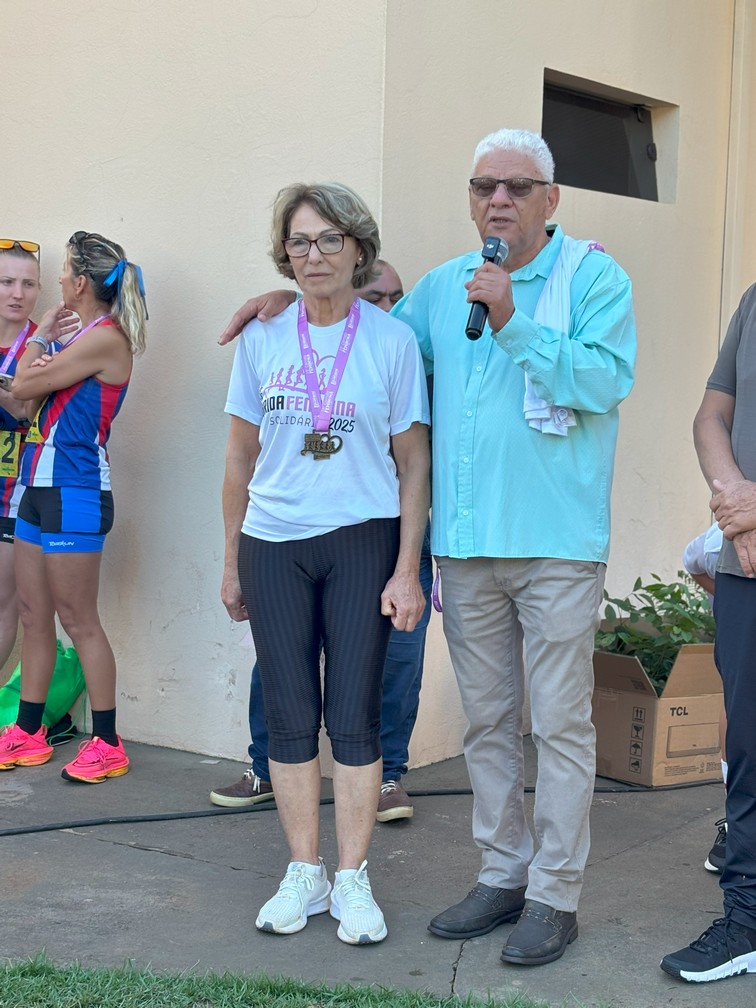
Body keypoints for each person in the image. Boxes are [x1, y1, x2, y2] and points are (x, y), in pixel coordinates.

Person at [218, 127, 636, 966]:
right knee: (487, 722)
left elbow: (602, 380)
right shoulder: (446, 288)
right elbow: (356, 329)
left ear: (551, 200)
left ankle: (554, 894)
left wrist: (514, 319)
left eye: (518, 187)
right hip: (469, 544)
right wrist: (281, 301)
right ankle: (501, 874)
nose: (499, 202)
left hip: (555, 541)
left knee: (557, 725)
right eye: (485, 187)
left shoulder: (595, 278)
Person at [221, 183, 430, 944]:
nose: (314, 255)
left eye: (329, 240)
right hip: (272, 543)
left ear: (358, 249)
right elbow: (239, 457)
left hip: (361, 541)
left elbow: (414, 464)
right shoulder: (263, 338)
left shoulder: (391, 341)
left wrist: (407, 569)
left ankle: (353, 879)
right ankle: (304, 872)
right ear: (285, 253)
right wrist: (230, 562)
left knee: (353, 715)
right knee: (287, 715)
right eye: (301, 242)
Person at [0, 231, 147, 784]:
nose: (58, 282)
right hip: (37, 488)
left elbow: (26, 384)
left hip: (76, 491)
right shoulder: (76, 337)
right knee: (35, 617)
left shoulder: (107, 338)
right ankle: (30, 732)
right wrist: (38, 345)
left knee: (78, 619)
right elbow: (21, 396)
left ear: (81, 282)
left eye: (62, 272)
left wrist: (37, 343)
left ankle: (107, 741)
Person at [661, 284, 756, 983]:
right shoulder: (755, 301)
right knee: (749, 754)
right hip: (746, 566)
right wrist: (734, 501)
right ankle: (747, 922)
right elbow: (711, 417)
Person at [0, 240, 44, 677]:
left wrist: (13, 393)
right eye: (6, 282)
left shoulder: (44, 344)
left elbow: (29, 409)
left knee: (4, 602)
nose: (17, 293)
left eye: (27, 284)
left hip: (15, 491)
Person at [682, 522, 727, 875]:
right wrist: (730, 603)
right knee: (737, 702)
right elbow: (695, 560)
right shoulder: (723, 538)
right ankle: (737, 823)